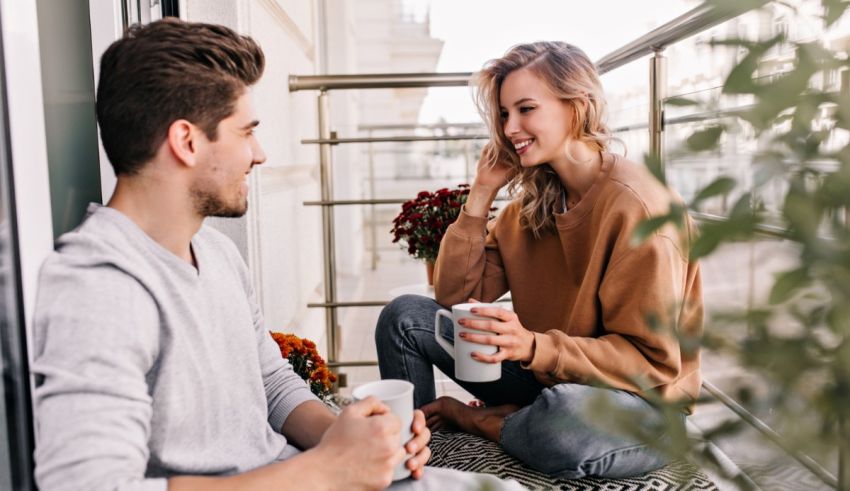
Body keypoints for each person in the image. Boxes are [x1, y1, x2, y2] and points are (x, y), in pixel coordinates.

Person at [31, 18, 522, 491]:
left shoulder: (216, 252)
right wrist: (325, 472)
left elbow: (272, 385)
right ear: (186, 141)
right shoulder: (97, 284)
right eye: (245, 132)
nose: (260, 153)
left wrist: (355, 444)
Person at [376, 41, 704, 480]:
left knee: (564, 420)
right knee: (404, 317)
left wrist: (532, 346)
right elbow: (455, 296)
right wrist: (480, 194)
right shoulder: (530, 208)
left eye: (526, 109)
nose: (511, 127)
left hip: (637, 403)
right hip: (550, 379)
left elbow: (650, 362)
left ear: (578, 107)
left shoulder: (639, 209)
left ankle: (483, 421)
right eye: (504, 114)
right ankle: (412, 458)